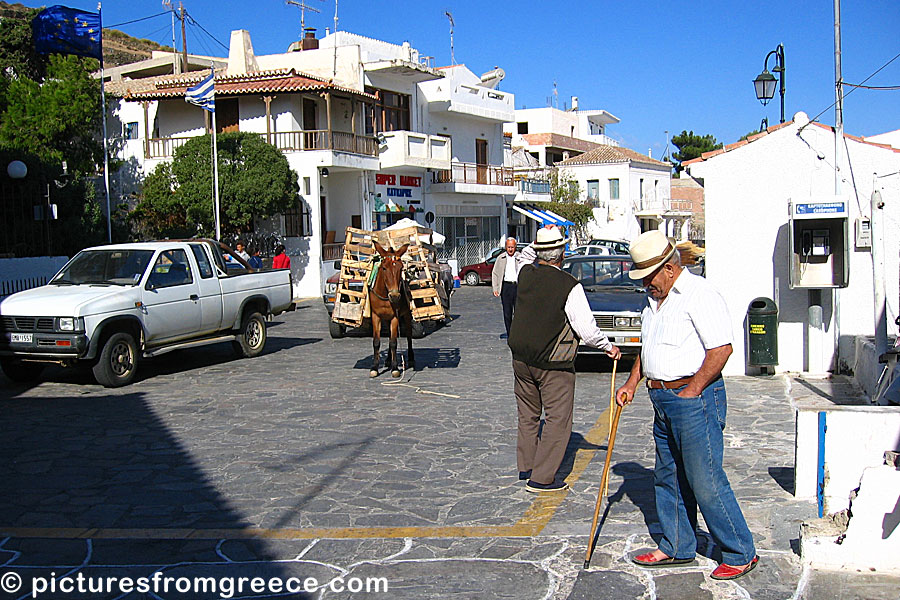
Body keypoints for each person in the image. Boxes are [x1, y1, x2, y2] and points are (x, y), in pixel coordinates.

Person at [614, 230, 758, 581]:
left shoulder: (699, 293)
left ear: (669, 268)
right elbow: (648, 348)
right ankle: (677, 545)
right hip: (660, 398)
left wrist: (691, 392)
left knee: (704, 479)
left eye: (648, 276)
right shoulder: (654, 300)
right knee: (668, 476)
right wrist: (633, 382)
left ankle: (740, 550)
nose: (646, 283)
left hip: (693, 398)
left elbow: (721, 349)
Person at [508, 225, 621, 493]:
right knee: (558, 419)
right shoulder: (569, 285)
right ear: (563, 255)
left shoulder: (524, 272)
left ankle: (527, 467)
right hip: (553, 363)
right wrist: (608, 347)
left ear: (538, 253)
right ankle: (542, 478)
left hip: (521, 359)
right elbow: (587, 329)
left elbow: (523, 255)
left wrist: (537, 240)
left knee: (528, 415)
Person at [491, 237, 521, 338]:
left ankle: (518, 333)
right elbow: (495, 273)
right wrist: (495, 288)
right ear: (505, 247)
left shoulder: (520, 257)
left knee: (518, 313)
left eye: (512, 247)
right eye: (508, 247)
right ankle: (510, 333)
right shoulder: (501, 258)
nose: (510, 249)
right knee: (507, 313)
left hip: (517, 287)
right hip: (506, 287)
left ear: (515, 247)